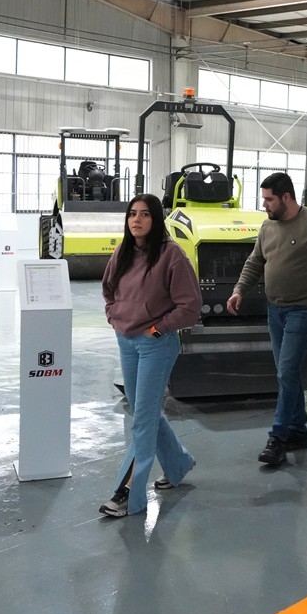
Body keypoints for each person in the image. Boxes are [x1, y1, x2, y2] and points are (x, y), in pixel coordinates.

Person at [98, 194, 202, 518]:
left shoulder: (172, 255)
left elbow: (190, 306)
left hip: (156, 345)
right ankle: (178, 464)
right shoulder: (122, 252)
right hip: (126, 341)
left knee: (143, 419)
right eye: (132, 214)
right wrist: (114, 317)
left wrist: (158, 329)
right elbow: (108, 291)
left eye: (144, 214)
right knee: (145, 412)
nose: (136, 220)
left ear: (155, 219)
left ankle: (128, 493)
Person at [228, 172, 307, 466]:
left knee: (287, 372)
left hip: (303, 310)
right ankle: (298, 432)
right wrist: (239, 289)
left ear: (286, 197)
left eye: (269, 199)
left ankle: (278, 437)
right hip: (274, 310)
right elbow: (255, 261)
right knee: (286, 373)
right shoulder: (268, 226)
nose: (264, 204)